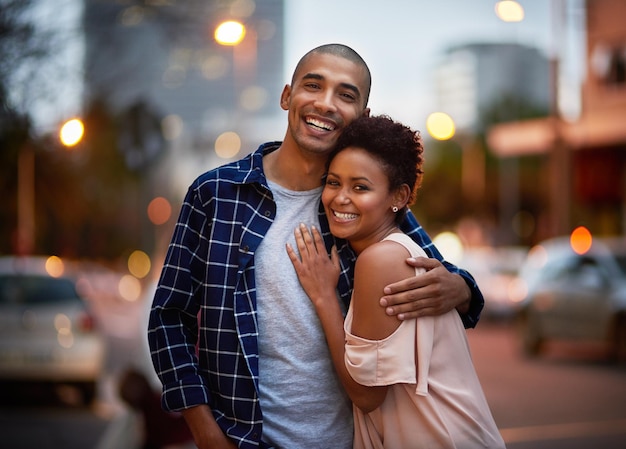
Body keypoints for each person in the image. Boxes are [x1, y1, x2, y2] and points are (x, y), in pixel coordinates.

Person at [148, 43, 485, 449]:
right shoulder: (216, 194)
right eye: (314, 85)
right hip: (243, 439)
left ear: (361, 114)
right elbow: (168, 318)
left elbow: (437, 272)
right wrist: (203, 430)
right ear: (288, 95)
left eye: (346, 95)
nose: (326, 104)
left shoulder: (361, 205)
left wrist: (463, 290)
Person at [287, 114, 505, 449]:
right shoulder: (391, 251)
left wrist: (324, 297)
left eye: (360, 187)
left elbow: (366, 394)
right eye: (333, 182)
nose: (340, 198)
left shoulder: (381, 259)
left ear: (399, 197)